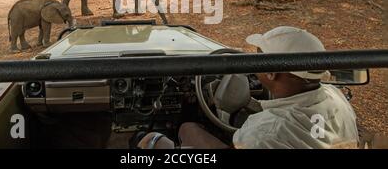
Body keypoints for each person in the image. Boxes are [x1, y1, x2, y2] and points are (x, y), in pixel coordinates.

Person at [138, 26, 359, 149]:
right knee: (190, 129)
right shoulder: (335, 95)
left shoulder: (265, 131)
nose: (252, 64)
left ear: (271, 72)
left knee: (164, 136)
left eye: (257, 59)